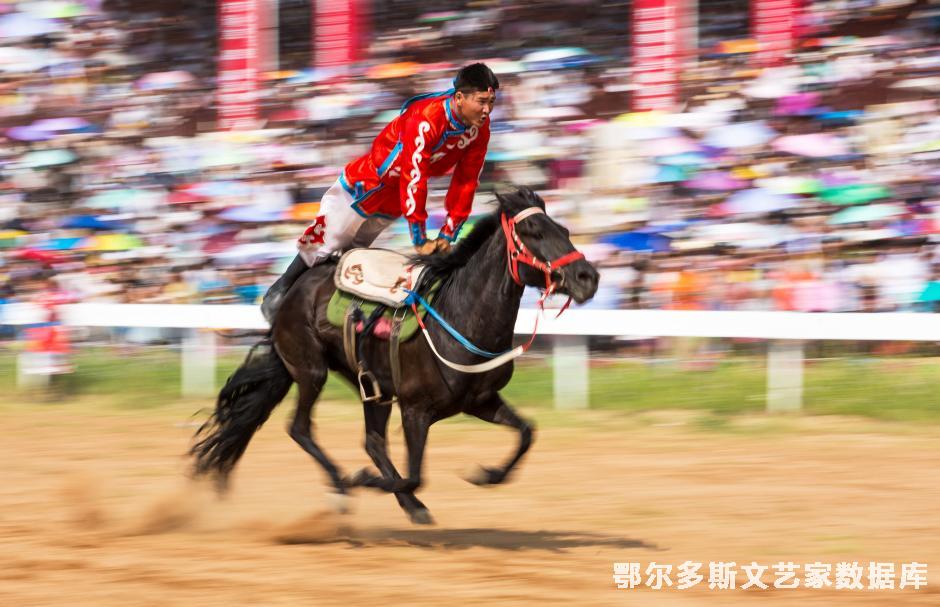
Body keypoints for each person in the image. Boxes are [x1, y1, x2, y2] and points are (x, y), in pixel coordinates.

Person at [260, 62, 499, 322]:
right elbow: (414, 175)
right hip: (364, 184)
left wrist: (449, 232)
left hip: (395, 199)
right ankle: (280, 289)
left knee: (354, 253)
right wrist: (419, 237)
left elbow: (466, 180)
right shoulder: (426, 118)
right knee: (325, 241)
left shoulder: (480, 130)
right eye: (482, 101)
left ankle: (332, 312)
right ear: (460, 97)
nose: (487, 110)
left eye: (492, 102)